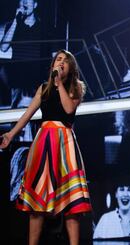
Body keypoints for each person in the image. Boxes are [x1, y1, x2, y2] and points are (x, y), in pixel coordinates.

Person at [0, 49, 91, 245]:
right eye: (58, 59)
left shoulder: (76, 88)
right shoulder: (43, 89)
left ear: (71, 68)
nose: (61, 63)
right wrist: (10, 134)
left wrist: (59, 85)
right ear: (52, 66)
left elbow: (68, 109)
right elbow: (27, 115)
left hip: (65, 144)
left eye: (66, 61)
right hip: (43, 143)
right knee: (37, 200)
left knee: (71, 202)